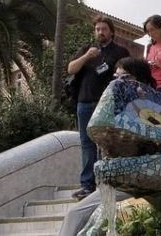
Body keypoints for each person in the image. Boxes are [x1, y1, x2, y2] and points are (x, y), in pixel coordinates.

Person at [59, 57, 153, 236]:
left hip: (149, 181)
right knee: (74, 215)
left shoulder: (155, 109)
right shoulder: (115, 111)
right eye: (115, 77)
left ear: (141, 79)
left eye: (125, 77)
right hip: (120, 182)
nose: (118, 82)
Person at [67, 16, 130, 201]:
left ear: (111, 31)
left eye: (104, 29)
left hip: (107, 103)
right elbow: (70, 69)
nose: (100, 32)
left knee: (106, 143)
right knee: (86, 143)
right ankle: (87, 184)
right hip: (84, 102)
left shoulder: (120, 51)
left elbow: (128, 74)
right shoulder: (87, 50)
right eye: (97, 29)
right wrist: (86, 57)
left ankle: (107, 181)